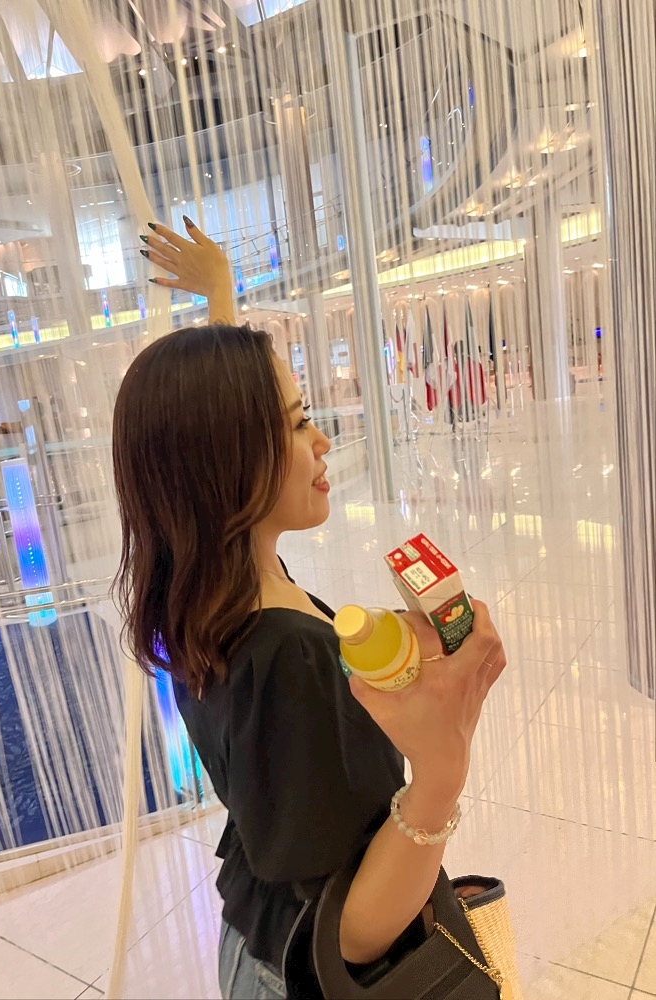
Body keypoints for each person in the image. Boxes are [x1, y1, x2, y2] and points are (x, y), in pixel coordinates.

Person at [112, 219, 507, 1000]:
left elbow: (211, 426)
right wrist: (441, 769)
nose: (322, 441)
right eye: (296, 423)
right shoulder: (285, 654)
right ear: (231, 459)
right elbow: (354, 935)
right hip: (301, 968)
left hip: (257, 934)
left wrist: (222, 302)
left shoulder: (207, 590)